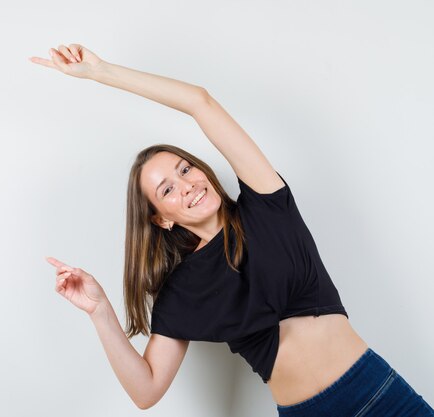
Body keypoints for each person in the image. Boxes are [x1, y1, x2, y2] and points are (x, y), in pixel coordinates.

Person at [32, 43, 434, 416]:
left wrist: (101, 71)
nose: (187, 184)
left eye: (185, 168)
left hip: (379, 395)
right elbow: (146, 391)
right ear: (162, 219)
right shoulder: (182, 291)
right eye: (167, 189)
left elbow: (199, 101)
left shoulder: (265, 203)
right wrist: (100, 311)